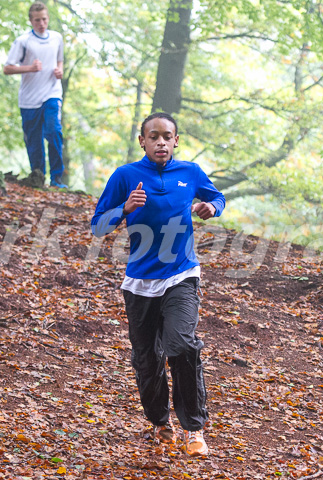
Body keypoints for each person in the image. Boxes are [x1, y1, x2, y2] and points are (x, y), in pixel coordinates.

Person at [90, 112, 225, 457]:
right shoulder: (125, 176)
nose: (161, 142)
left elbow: (217, 197)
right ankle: (159, 422)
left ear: (176, 140)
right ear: (142, 141)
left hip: (181, 275)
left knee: (181, 344)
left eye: (167, 136)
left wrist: (211, 206)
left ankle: (193, 430)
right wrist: (124, 207)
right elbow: (98, 226)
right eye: (154, 137)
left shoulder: (190, 172)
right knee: (147, 359)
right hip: (139, 284)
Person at [3, 1, 67, 188]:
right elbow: (7, 68)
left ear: (48, 19)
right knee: (34, 142)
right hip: (29, 99)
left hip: (52, 93)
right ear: (31, 21)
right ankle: (38, 178)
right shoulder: (23, 41)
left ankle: (57, 179)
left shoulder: (56, 38)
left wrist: (60, 71)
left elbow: (60, 60)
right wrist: (29, 68)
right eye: (37, 20)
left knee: (53, 130)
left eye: (44, 19)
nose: (42, 23)